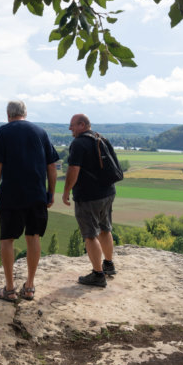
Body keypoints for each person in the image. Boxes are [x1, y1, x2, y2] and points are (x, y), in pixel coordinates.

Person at [0, 100, 59, 302]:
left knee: (7, 239)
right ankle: (29, 287)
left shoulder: (3, 132)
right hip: (37, 194)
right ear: (25, 113)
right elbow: (52, 166)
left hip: (12, 194)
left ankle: (9, 289)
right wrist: (51, 192)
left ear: (8, 114)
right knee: (33, 237)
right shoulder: (41, 132)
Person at [62, 113, 117, 288]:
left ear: (82, 124)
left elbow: (73, 170)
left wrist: (66, 191)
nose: (70, 128)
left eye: (72, 125)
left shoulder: (78, 143)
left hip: (88, 196)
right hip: (108, 192)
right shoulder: (100, 138)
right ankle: (108, 264)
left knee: (90, 234)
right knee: (105, 228)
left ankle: (98, 274)